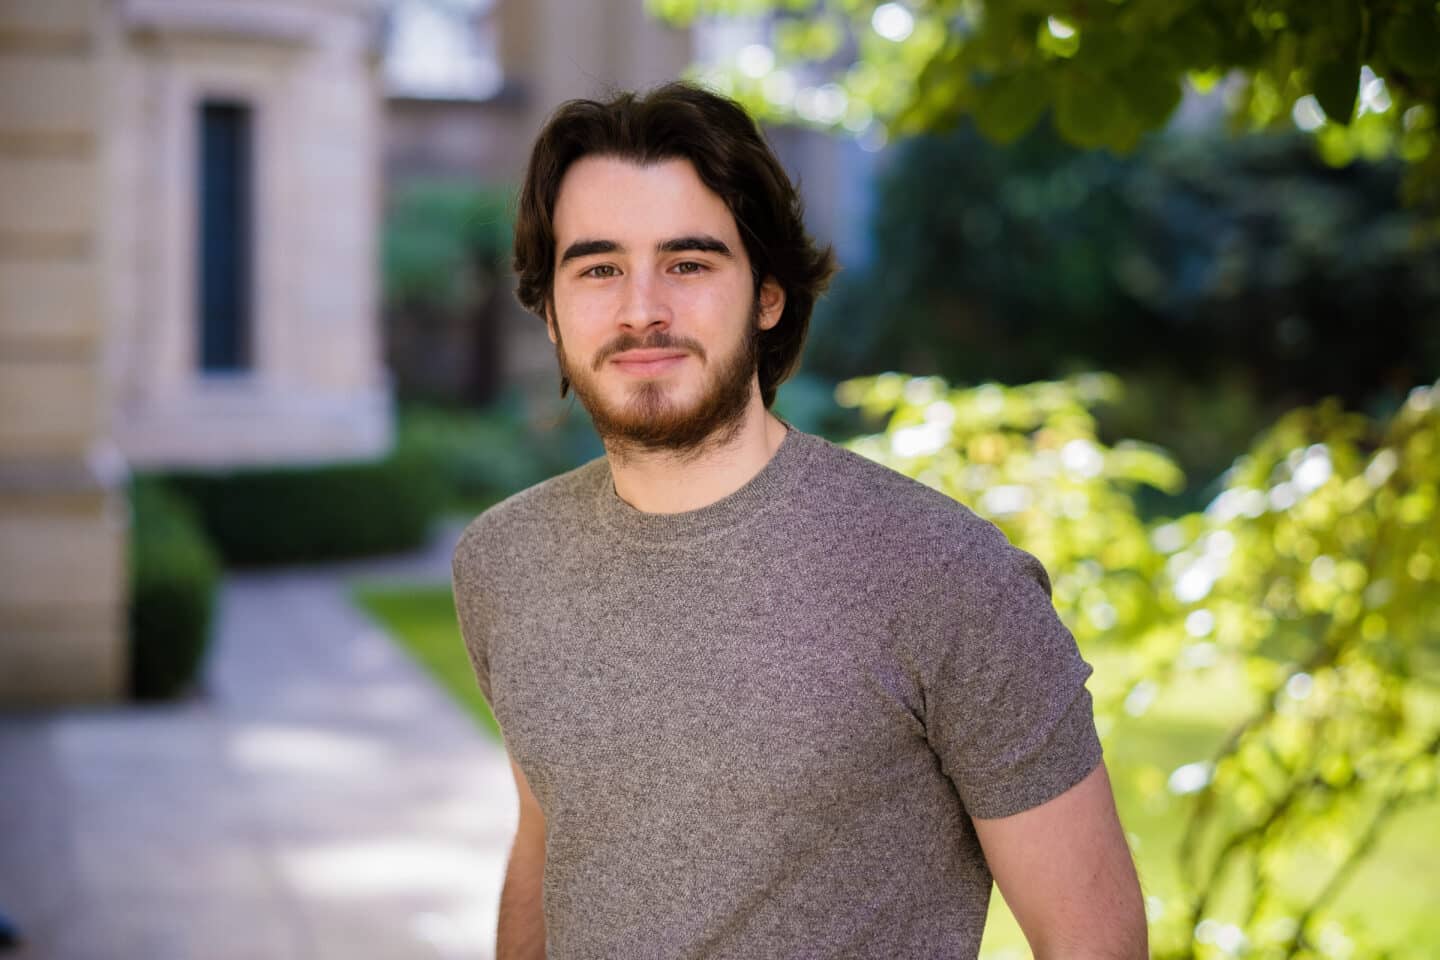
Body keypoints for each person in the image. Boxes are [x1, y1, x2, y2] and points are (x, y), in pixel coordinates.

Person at [451, 81, 1147, 960]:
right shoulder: (505, 562)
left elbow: (1095, 943)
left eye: (690, 263)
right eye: (597, 268)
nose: (641, 310)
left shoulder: (946, 577)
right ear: (550, 310)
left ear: (769, 295)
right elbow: (548, 838)